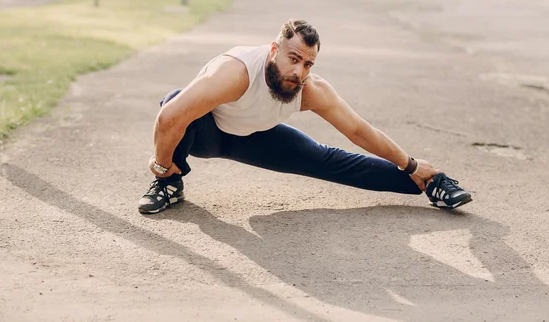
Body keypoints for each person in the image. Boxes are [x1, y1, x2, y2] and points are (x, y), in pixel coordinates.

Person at [138, 19, 473, 214]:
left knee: (324, 159)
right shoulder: (236, 72)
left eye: (308, 64)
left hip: (256, 137)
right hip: (208, 133)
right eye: (293, 58)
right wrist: (162, 165)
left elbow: (358, 130)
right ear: (273, 50)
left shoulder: (311, 88)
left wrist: (411, 164)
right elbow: (170, 118)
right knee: (176, 101)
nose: (298, 71)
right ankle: (168, 186)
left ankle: (429, 183)